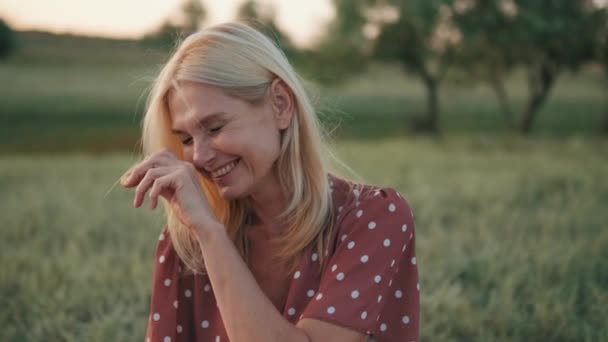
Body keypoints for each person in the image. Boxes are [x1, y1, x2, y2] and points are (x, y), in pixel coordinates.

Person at [120, 22, 419, 342]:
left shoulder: (373, 218)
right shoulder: (187, 243)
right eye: (186, 139)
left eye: (215, 128)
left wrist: (211, 235)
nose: (199, 157)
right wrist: (208, 233)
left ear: (280, 104)